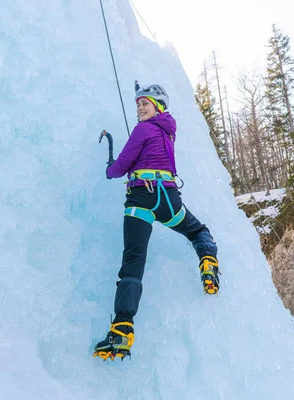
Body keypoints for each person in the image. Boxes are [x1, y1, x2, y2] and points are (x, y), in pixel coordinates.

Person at [93, 84, 220, 361]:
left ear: (158, 106)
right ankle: (208, 262)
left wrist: (109, 169)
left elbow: (122, 165)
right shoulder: (168, 132)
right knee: (197, 230)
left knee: (133, 262)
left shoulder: (143, 130)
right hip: (169, 200)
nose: (140, 108)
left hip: (142, 199)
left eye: (145, 104)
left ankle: (122, 328)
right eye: (138, 104)